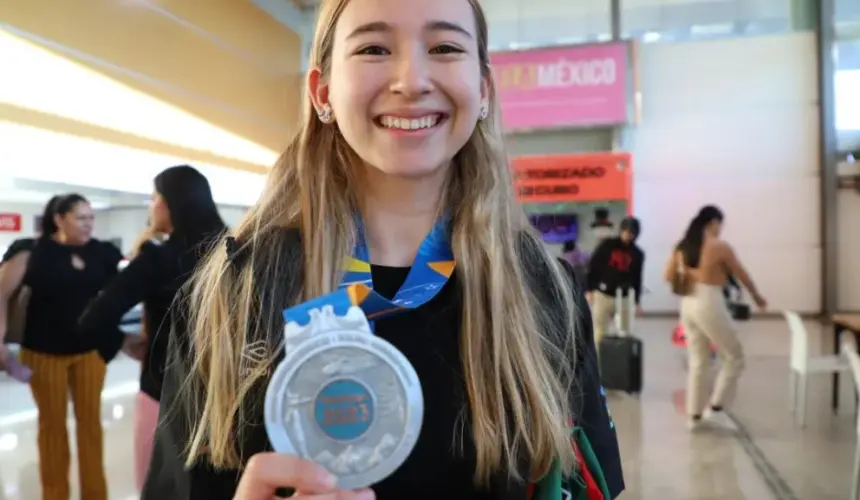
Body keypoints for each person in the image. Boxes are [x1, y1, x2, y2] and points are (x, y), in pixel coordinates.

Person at [141, 1, 624, 499]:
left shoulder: (541, 290)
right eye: (373, 48)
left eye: (444, 47)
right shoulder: (240, 290)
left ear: (483, 90)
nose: (411, 80)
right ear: (322, 92)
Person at [79, 165, 226, 491]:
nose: (151, 206)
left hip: (163, 388)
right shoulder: (233, 249)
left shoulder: (158, 259)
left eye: (153, 197)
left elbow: (94, 317)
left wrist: (122, 339)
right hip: (225, 394)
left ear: (170, 203)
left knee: (160, 484)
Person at [0, 193, 124, 500]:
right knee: (53, 428)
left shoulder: (102, 253)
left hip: (89, 353)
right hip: (44, 355)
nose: (88, 225)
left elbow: (121, 293)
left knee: (91, 426)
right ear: (59, 219)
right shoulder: (32, 252)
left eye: (91, 218)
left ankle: (96, 495)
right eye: (81, 218)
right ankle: (55, 495)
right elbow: (1, 295)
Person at [663, 205, 766, 430]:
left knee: (698, 360)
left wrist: (689, 272)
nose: (721, 229)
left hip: (687, 304)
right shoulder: (719, 247)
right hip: (709, 301)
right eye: (720, 224)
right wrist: (757, 296)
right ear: (713, 223)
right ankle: (717, 408)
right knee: (734, 356)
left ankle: (694, 416)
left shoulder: (682, 246)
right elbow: (741, 273)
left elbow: (667, 275)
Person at [586, 216, 645, 345]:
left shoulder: (637, 254)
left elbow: (637, 278)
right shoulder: (607, 245)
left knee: (624, 331)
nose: (628, 235)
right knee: (600, 331)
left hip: (623, 297)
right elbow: (593, 266)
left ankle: (621, 361)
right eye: (626, 231)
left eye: (631, 233)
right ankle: (599, 361)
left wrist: (637, 301)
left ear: (636, 234)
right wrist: (589, 289)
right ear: (621, 230)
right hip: (602, 294)